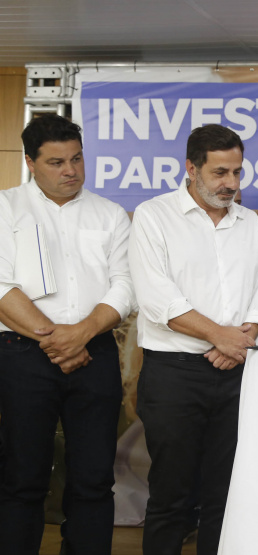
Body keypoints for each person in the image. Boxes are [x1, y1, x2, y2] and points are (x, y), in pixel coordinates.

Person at [129, 124, 258, 555]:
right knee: (171, 496)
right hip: (174, 376)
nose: (230, 183)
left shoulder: (248, 223)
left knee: (226, 497)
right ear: (191, 168)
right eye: (219, 173)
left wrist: (242, 338)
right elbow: (158, 300)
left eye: (237, 172)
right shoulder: (154, 216)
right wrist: (222, 337)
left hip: (235, 375)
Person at [0, 114, 134, 554]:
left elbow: (126, 286)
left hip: (94, 354)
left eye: (76, 159)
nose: (70, 171)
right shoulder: (5, 207)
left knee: (94, 479)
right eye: (56, 162)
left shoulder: (110, 214)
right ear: (30, 163)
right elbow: (2, 287)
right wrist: (58, 339)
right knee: (22, 478)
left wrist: (81, 334)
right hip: (22, 354)